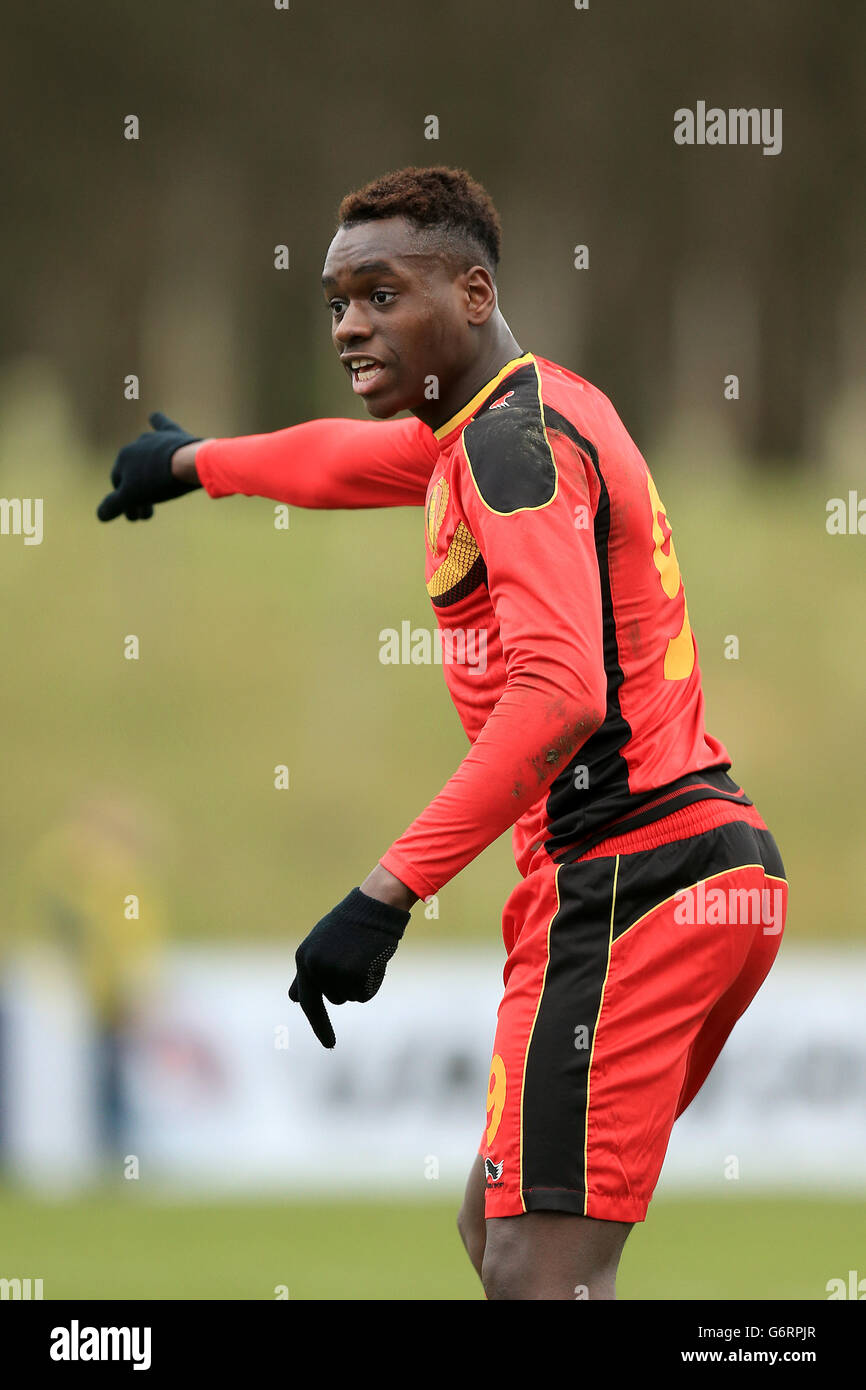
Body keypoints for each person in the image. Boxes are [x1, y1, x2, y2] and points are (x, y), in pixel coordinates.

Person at [97, 165, 788, 1301]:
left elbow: (560, 696)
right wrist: (192, 463)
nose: (350, 324)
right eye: (335, 303)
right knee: (499, 1234)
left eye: (380, 293)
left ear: (472, 294)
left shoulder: (510, 447)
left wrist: (383, 892)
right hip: (683, 871)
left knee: (536, 1267)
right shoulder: (507, 419)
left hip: (633, 878)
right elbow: (346, 460)